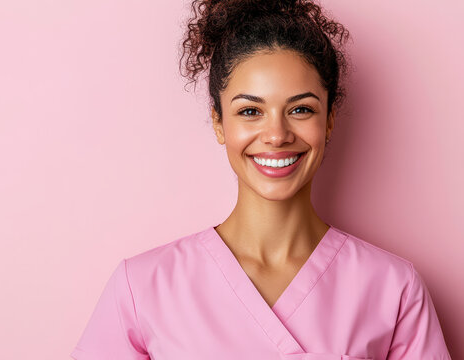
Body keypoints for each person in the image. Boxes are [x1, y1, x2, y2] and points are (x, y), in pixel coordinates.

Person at [70, 0, 452, 359]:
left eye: (301, 109)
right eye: (251, 111)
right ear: (220, 122)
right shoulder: (142, 288)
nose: (276, 134)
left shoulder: (394, 289)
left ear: (329, 120)